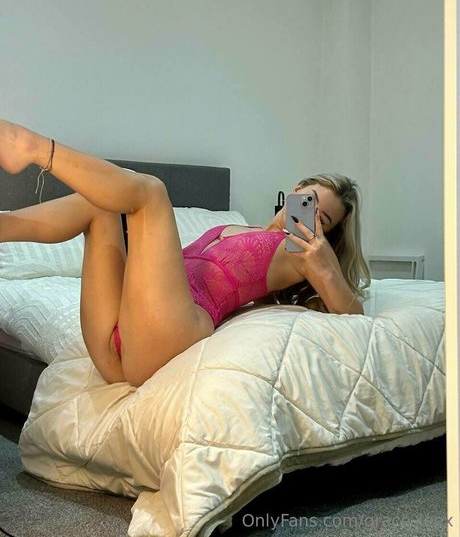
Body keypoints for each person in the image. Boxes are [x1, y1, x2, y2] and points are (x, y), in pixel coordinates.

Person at [0, 118, 370, 387]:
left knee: (151, 193)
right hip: (121, 340)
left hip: (173, 334)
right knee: (101, 202)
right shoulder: (247, 227)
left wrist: (325, 265)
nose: (310, 215)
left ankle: (31, 147)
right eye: (309, 200)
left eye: (322, 218)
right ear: (297, 189)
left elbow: (355, 315)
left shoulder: (299, 254)